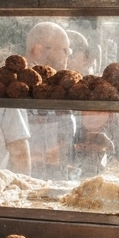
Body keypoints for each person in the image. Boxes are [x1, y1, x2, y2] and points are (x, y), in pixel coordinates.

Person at [25, 22, 78, 179]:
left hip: (55, 183)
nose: (68, 55)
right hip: (23, 186)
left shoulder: (60, 89)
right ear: (38, 50)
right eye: (64, 50)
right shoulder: (18, 90)